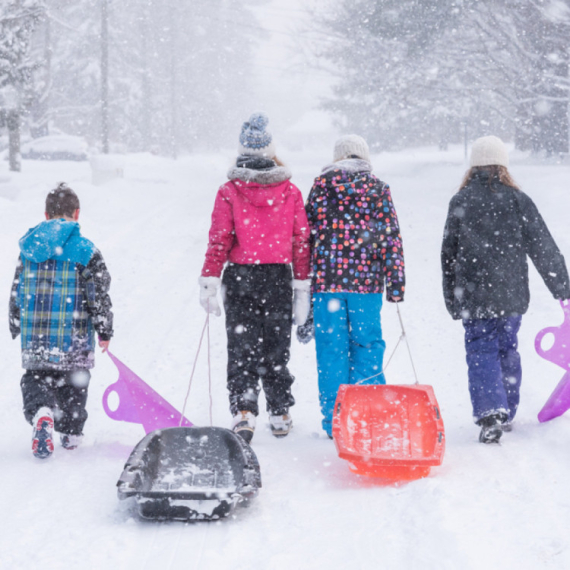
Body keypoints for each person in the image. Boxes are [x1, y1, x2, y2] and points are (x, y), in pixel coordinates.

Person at [441, 135, 570, 443]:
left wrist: (452, 298)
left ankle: (491, 414)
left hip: (473, 295)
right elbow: (544, 248)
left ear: (474, 166)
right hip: (510, 295)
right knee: (507, 347)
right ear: (503, 165)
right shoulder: (517, 200)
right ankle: (507, 410)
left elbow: (448, 255)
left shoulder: (461, 201)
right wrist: (562, 288)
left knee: (480, 349)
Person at [199, 112, 311, 443]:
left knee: (242, 345)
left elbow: (219, 239)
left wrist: (210, 279)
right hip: (277, 276)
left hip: (240, 277)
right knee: (276, 346)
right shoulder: (289, 191)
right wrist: (302, 286)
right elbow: (300, 241)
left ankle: (244, 409)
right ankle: (279, 411)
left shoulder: (229, 191)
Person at [305, 134, 405, 438]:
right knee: (367, 347)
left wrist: (302, 279)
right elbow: (391, 237)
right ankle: (368, 416)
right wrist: (396, 283)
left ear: (337, 159)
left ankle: (336, 421)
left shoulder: (321, 188)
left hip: (328, 284)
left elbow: (306, 235)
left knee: (331, 351)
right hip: (366, 285)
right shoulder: (377, 189)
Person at [9, 183, 114, 459]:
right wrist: (104, 329)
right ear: (77, 213)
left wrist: (15, 319)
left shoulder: (29, 249)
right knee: (74, 383)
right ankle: (70, 432)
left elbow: (18, 287)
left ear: (46, 215)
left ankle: (42, 412)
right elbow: (99, 294)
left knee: (36, 378)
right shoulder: (85, 250)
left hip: (36, 338)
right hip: (74, 336)